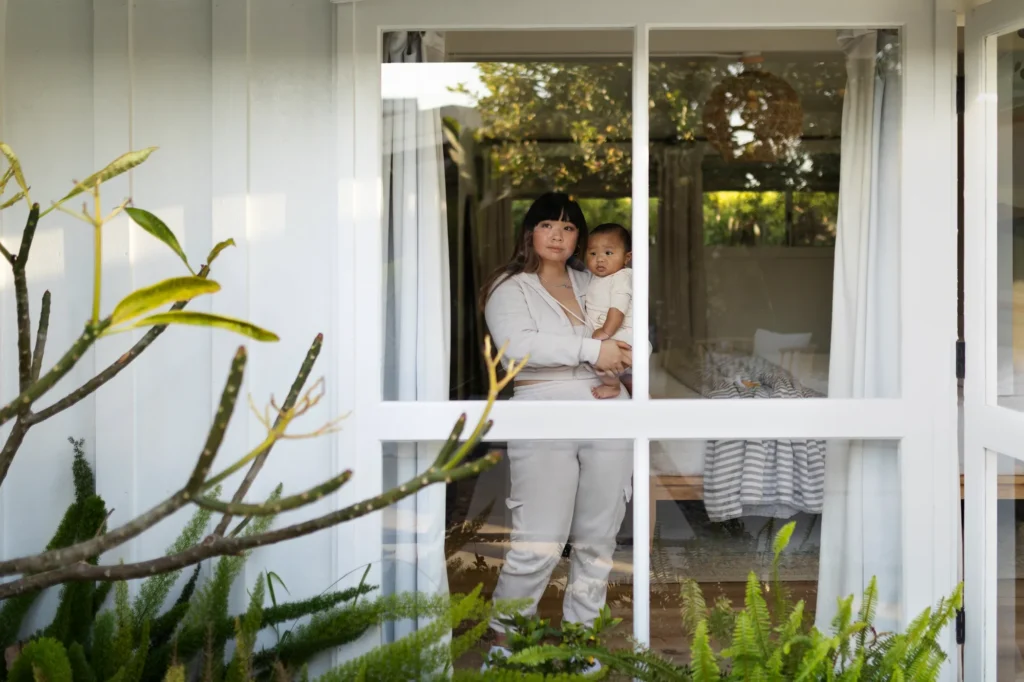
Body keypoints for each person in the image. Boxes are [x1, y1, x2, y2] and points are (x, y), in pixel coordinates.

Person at [480, 192, 633, 668]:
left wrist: (622, 367)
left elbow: (636, 336)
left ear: (579, 238)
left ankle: (581, 642)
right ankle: (504, 641)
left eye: (568, 229)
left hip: (608, 408)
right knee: (540, 537)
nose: (558, 236)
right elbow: (515, 347)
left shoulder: (597, 280)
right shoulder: (510, 287)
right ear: (530, 232)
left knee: (597, 537)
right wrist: (594, 352)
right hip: (541, 408)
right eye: (548, 225)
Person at [584, 223, 634, 399]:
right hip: (612, 336)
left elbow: (618, 309)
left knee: (603, 363)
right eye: (593, 253)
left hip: (621, 336)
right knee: (628, 379)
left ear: (626, 257)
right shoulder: (595, 277)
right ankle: (637, 392)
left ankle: (612, 386)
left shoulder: (622, 277)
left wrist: (605, 331)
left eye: (608, 253)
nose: (600, 259)